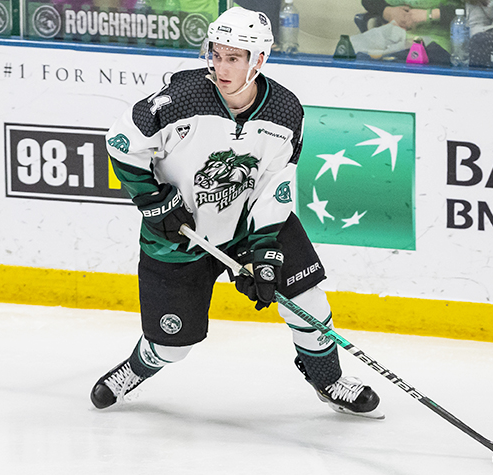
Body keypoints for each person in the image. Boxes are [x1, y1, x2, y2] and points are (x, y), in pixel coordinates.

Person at [91, 6, 383, 419]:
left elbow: (273, 187)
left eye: (234, 58)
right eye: (217, 54)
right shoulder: (179, 99)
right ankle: (137, 368)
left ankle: (328, 380)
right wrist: (157, 205)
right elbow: (122, 143)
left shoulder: (284, 112)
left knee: (307, 298)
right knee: (175, 347)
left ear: (258, 60)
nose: (221, 66)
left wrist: (264, 253)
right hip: (177, 235)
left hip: (247, 224)